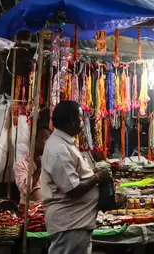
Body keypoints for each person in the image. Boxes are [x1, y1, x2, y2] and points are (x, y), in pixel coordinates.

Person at [40, 101, 110, 254]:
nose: (82, 122)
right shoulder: (59, 149)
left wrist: (92, 173)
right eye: (80, 118)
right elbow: (72, 188)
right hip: (70, 223)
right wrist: (97, 178)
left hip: (76, 222)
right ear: (71, 121)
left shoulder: (66, 144)